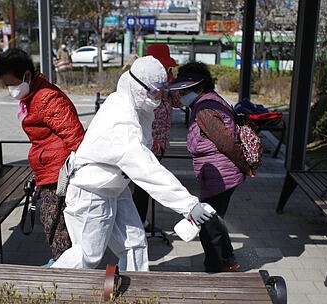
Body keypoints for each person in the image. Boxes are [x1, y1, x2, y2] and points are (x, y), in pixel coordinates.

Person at [52, 56, 216, 271]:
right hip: (91, 191)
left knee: (135, 243)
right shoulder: (122, 119)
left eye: (161, 91)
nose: (158, 97)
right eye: (154, 92)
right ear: (138, 87)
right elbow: (146, 169)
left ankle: (137, 294)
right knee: (87, 255)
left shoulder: (132, 103)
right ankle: (48, 291)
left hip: (114, 187)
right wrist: (188, 204)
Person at [0, 48, 85, 267]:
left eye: (11, 83)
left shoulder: (47, 98)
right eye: (6, 85)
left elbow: (75, 135)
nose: (10, 89)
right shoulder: (34, 95)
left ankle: (64, 266)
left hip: (58, 171)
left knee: (55, 220)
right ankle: (62, 261)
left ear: (26, 75)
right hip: (49, 168)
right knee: (51, 219)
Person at [172, 61, 255, 272]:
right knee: (214, 219)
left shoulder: (205, 111)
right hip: (219, 174)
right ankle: (228, 259)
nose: (181, 94)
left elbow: (227, 143)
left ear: (199, 88)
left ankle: (215, 267)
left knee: (207, 223)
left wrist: (245, 167)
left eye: (185, 90)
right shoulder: (210, 101)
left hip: (222, 175)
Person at [132, 44, 181, 227]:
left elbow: (178, 103)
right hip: (147, 140)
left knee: (145, 185)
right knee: (143, 185)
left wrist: (171, 83)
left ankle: (140, 219)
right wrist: (160, 86)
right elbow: (146, 102)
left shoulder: (169, 82)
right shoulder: (145, 82)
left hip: (160, 142)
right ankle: (138, 221)